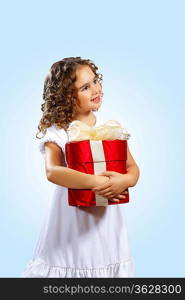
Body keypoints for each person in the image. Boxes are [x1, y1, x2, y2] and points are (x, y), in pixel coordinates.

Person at [21, 56, 140, 278]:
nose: (96, 89)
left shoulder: (109, 129)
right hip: (71, 220)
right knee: (71, 264)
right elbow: (52, 171)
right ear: (66, 97)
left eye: (95, 81)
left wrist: (124, 181)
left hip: (107, 221)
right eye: (85, 87)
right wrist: (98, 183)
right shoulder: (58, 132)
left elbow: (132, 168)